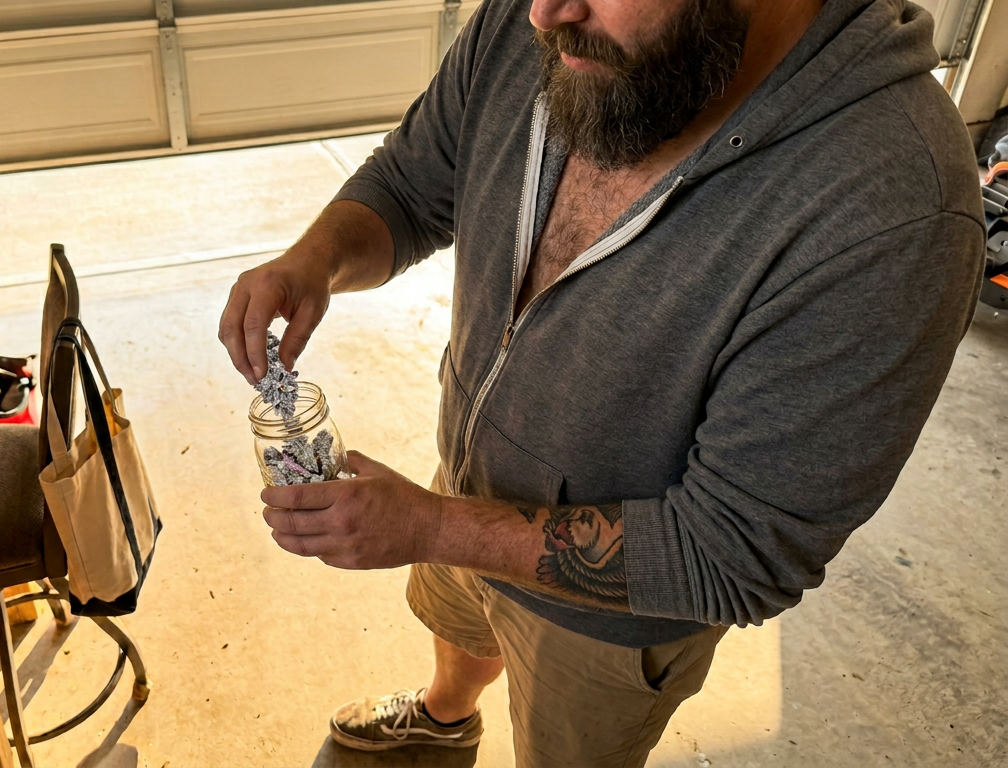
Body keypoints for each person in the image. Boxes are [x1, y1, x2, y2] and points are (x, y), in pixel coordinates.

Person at [217, 0, 985, 763]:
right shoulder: (552, 25)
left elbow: (735, 554)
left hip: (607, 621)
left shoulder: (894, 208)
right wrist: (315, 258)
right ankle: (446, 714)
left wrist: (426, 528)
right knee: (460, 628)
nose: (542, 16)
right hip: (460, 484)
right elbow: (416, 183)